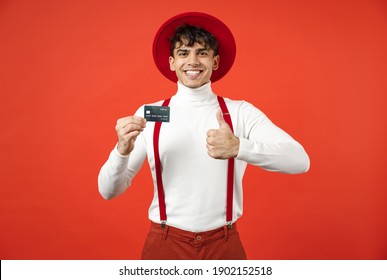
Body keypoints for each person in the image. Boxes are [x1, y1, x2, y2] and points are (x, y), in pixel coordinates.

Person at [98, 12, 310, 260]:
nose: (193, 61)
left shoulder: (239, 112)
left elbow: (300, 161)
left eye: (202, 52)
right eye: (184, 53)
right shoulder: (151, 114)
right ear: (172, 62)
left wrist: (239, 147)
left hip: (224, 245)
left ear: (215, 62)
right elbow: (108, 191)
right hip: (165, 245)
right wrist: (121, 150)